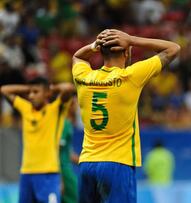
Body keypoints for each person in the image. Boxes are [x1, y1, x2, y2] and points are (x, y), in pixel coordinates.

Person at [72, 29, 180, 203]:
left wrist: (94, 45)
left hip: (87, 163)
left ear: (101, 51)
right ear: (125, 51)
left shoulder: (84, 77)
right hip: (117, 164)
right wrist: (131, 39)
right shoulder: (130, 76)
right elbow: (173, 49)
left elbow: (77, 57)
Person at [0, 77, 74, 203]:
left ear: (47, 94)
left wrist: (50, 88)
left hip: (48, 174)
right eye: (30, 92)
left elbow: (69, 88)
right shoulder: (26, 108)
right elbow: (4, 90)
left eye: (35, 92)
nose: (31, 96)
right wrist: (30, 88)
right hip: (26, 173)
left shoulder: (55, 109)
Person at [60, 117, 79, 203]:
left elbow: (69, 154)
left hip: (64, 172)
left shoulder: (67, 123)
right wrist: (60, 179)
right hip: (63, 173)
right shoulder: (63, 123)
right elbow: (56, 151)